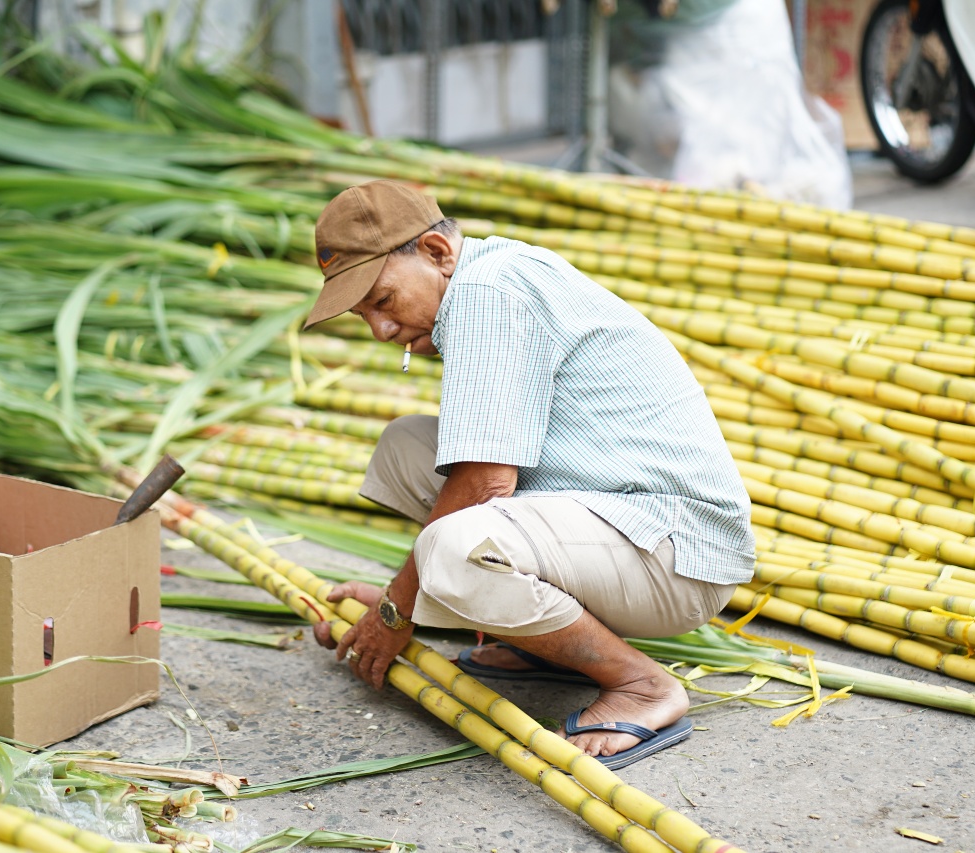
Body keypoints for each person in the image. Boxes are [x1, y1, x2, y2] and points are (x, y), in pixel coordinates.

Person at [308, 179, 755, 770]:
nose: (380, 331)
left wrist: (395, 609)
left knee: (457, 542)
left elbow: (485, 486)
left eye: (383, 301)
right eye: (365, 314)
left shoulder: (490, 292)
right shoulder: (489, 277)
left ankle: (642, 686)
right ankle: (541, 642)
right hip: (623, 527)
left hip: (677, 553)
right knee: (405, 447)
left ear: (439, 255)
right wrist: (409, 600)